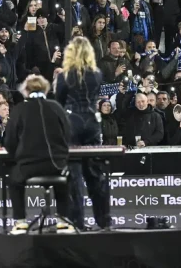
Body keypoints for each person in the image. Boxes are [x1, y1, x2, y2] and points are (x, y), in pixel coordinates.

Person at [4, 74, 73, 235]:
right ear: (46, 89)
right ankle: (63, 221)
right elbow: (68, 135)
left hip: (28, 165)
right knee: (65, 178)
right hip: (56, 164)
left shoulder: (19, 109)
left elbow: (10, 142)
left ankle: (20, 222)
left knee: (14, 179)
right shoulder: (56, 107)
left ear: (25, 91)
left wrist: (17, 156)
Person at [54, 36, 110, 231]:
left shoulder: (64, 76)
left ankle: (77, 222)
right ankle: (104, 221)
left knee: (74, 175)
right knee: (96, 173)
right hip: (92, 122)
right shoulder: (97, 74)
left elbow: (59, 103)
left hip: (72, 122)